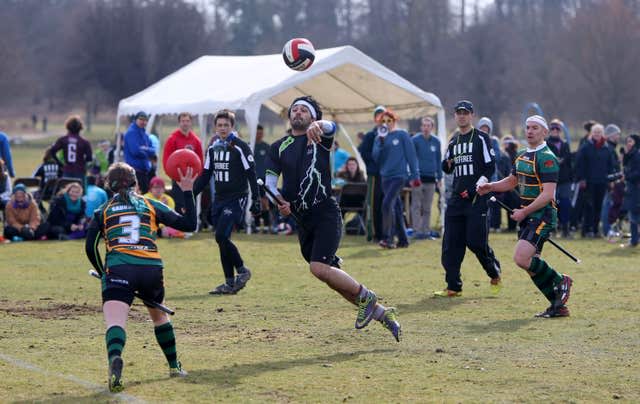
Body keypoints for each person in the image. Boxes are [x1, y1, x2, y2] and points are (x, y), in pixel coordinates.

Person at [264, 96, 401, 342]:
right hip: (301, 219)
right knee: (330, 276)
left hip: (325, 212)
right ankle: (382, 314)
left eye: (304, 110)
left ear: (313, 116)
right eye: (294, 109)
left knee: (319, 268)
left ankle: (368, 297)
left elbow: (331, 128)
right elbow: (272, 184)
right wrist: (279, 202)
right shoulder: (278, 146)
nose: (297, 112)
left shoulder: (319, 136)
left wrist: (320, 125)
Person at [85, 162, 196, 392]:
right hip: (150, 269)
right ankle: (174, 365)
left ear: (109, 186)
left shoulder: (103, 210)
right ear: (136, 183)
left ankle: (115, 359)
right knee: (159, 317)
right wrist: (187, 191)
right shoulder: (151, 204)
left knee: (116, 322)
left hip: (119, 269)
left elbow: (90, 247)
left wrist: (103, 271)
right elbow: (190, 224)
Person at [477, 115, 573, 318]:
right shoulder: (521, 155)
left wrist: (524, 212)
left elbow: (547, 195)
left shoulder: (547, 157)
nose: (530, 131)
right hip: (529, 216)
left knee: (521, 258)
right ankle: (558, 306)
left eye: (535, 128)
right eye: (528, 127)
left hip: (543, 216)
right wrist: (490, 187)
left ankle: (560, 280)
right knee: (531, 265)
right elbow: (512, 181)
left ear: (544, 132)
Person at [435, 100, 502, 297]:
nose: (462, 116)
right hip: (456, 199)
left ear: (471, 115)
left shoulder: (481, 138)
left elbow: (490, 167)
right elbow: (447, 166)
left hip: (476, 199)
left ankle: (494, 271)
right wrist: (446, 164)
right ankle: (453, 286)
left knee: (475, 242)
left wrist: (475, 189)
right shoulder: (454, 141)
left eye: (465, 112)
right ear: (455, 116)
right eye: (458, 113)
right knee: (450, 245)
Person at [193, 109, 260, 295]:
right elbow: (206, 174)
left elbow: (251, 174)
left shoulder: (240, 146)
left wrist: (256, 198)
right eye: (219, 125)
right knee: (222, 240)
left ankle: (243, 271)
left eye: (226, 125)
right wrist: (191, 195)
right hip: (219, 200)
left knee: (221, 236)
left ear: (232, 127)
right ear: (215, 127)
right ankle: (230, 283)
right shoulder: (213, 148)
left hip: (237, 198)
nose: (222, 128)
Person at [372, 109, 420, 248]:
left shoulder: (402, 135)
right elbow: (376, 158)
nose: (386, 123)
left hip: (399, 176)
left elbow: (411, 156)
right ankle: (403, 240)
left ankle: (388, 238)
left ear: (394, 121)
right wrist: (381, 142)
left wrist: (415, 175)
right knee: (397, 208)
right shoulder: (379, 137)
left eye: (389, 121)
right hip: (385, 177)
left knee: (387, 204)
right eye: (383, 121)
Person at [574, 123, 617, 237]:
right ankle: (586, 230)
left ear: (602, 134)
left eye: (599, 132)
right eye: (595, 132)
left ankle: (595, 229)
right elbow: (579, 164)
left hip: (602, 182)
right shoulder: (585, 147)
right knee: (589, 207)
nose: (597, 135)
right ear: (591, 134)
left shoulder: (606, 148)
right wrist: (582, 179)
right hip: (588, 182)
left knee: (599, 206)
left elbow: (610, 165)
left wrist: (611, 179)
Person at [162, 113, 204, 213]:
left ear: (191, 123)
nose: (185, 123)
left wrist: (198, 176)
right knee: (179, 204)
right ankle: (179, 227)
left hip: (192, 179)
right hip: (178, 179)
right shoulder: (172, 139)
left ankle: (191, 225)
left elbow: (200, 160)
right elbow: (166, 160)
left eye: (187, 121)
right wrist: (173, 176)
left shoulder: (196, 140)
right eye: (183, 121)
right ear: (179, 123)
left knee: (190, 203)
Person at [358, 106, 386, 242]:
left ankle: (387, 233)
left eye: (384, 117)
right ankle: (375, 233)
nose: (382, 120)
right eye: (379, 116)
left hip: (388, 174)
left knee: (387, 204)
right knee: (374, 204)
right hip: (374, 175)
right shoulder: (370, 135)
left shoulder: (391, 133)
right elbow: (363, 152)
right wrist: (373, 165)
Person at [411, 116, 442, 240]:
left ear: (432, 127)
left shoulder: (436, 141)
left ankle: (425, 231)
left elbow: (439, 160)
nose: (426, 128)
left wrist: (439, 177)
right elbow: (412, 159)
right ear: (421, 127)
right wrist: (412, 176)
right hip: (418, 178)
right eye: (424, 125)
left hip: (431, 178)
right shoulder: (415, 140)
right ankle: (417, 231)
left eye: (428, 126)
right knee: (416, 205)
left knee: (428, 207)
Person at [546, 119, 573, 238]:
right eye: (553, 129)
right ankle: (552, 228)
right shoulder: (545, 144)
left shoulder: (565, 144)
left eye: (557, 129)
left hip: (565, 179)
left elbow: (569, 161)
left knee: (565, 204)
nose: (555, 131)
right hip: (551, 179)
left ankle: (565, 227)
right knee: (552, 204)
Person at [49, 115, 93, 181]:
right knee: (80, 190)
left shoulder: (63, 140)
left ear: (67, 127)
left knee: (67, 190)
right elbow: (89, 158)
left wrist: (60, 163)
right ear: (80, 127)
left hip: (67, 170)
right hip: (80, 171)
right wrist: (83, 164)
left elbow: (52, 151)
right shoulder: (84, 142)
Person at [123, 111, 155, 194]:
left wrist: (144, 149)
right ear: (135, 120)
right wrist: (146, 151)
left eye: (145, 120)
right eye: (141, 119)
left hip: (144, 170)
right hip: (134, 171)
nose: (143, 122)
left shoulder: (145, 134)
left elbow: (153, 151)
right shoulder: (131, 133)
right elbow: (135, 151)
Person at [601, 124, 623, 238]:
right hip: (610, 181)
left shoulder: (611, 148)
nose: (618, 137)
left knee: (608, 205)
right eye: (617, 134)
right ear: (611, 136)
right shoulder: (609, 149)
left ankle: (608, 228)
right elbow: (609, 167)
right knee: (607, 206)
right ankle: (607, 229)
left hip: (611, 180)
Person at [253, 124, 274, 233]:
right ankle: (256, 225)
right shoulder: (250, 146)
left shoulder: (267, 147)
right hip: (253, 179)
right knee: (255, 201)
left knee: (265, 202)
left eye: (261, 133)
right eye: (257, 133)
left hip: (264, 179)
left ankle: (266, 226)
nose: (259, 135)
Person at [621, 134, 640, 248]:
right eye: (627, 141)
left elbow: (638, 173)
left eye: (630, 141)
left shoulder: (637, 155)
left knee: (633, 215)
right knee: (633, 214)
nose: (628, 143)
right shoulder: (630, 155)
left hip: (636, 189)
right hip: (632, 189)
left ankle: (633, 241)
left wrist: (626, 176)